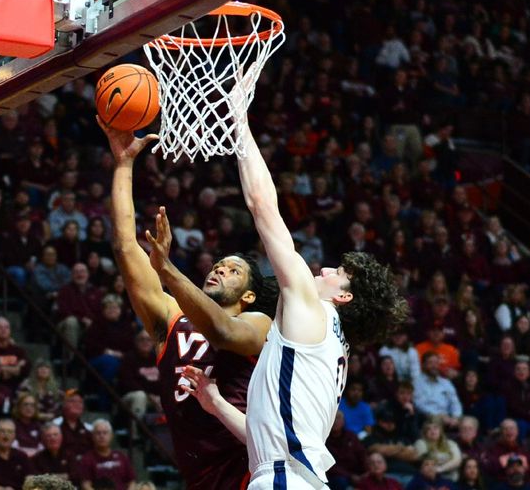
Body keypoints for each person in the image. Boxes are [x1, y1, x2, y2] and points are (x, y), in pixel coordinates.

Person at [170, 98, 407, 489]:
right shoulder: (332, 356)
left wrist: (240, 124)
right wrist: (216, 405)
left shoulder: (312, 309)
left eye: (338, 273)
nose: (326, 269)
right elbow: (266, 438)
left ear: (344, 297)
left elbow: (262, 206)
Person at [99, 118, 275, 490]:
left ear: (248, 295)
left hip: (250, 473)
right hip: (197, 477)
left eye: (232, 271)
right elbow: (126, 246)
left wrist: (166, 269)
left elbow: (224, 332)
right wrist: (124, 164)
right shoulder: (171, 317)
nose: (219, 270)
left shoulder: (259, 324)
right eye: (217, 266)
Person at [78, 420, 135, 490]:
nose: (102, 436)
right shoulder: (87, 459)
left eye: (105, 433)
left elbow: (132, 481)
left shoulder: (121, 456)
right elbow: (85, 485)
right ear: (92, 437)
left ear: (111, 436)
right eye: (98, 433)